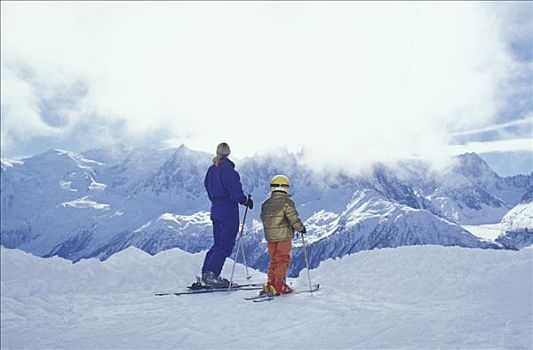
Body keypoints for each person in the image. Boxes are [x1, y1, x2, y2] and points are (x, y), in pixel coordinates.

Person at [201, 142, 253, 287]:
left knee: (218, 243)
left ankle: (206, 273)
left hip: (215, 208)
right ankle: (212, 274)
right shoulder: (229, 171)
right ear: (229, 153)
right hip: (228, 210)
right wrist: (245, 201)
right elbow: (235, 193)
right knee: (226, 244)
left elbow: (208, 187)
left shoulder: (211, 170)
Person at [260, 174, 306, 295]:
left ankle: (270, 282)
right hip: (284, 236)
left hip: (270, 237)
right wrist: (300, 228)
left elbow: (263, 218)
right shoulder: (287, 202)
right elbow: (293, 218)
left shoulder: (266, 204)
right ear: (286, 187)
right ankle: (280, 284)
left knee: (274, 259)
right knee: (282, 258)